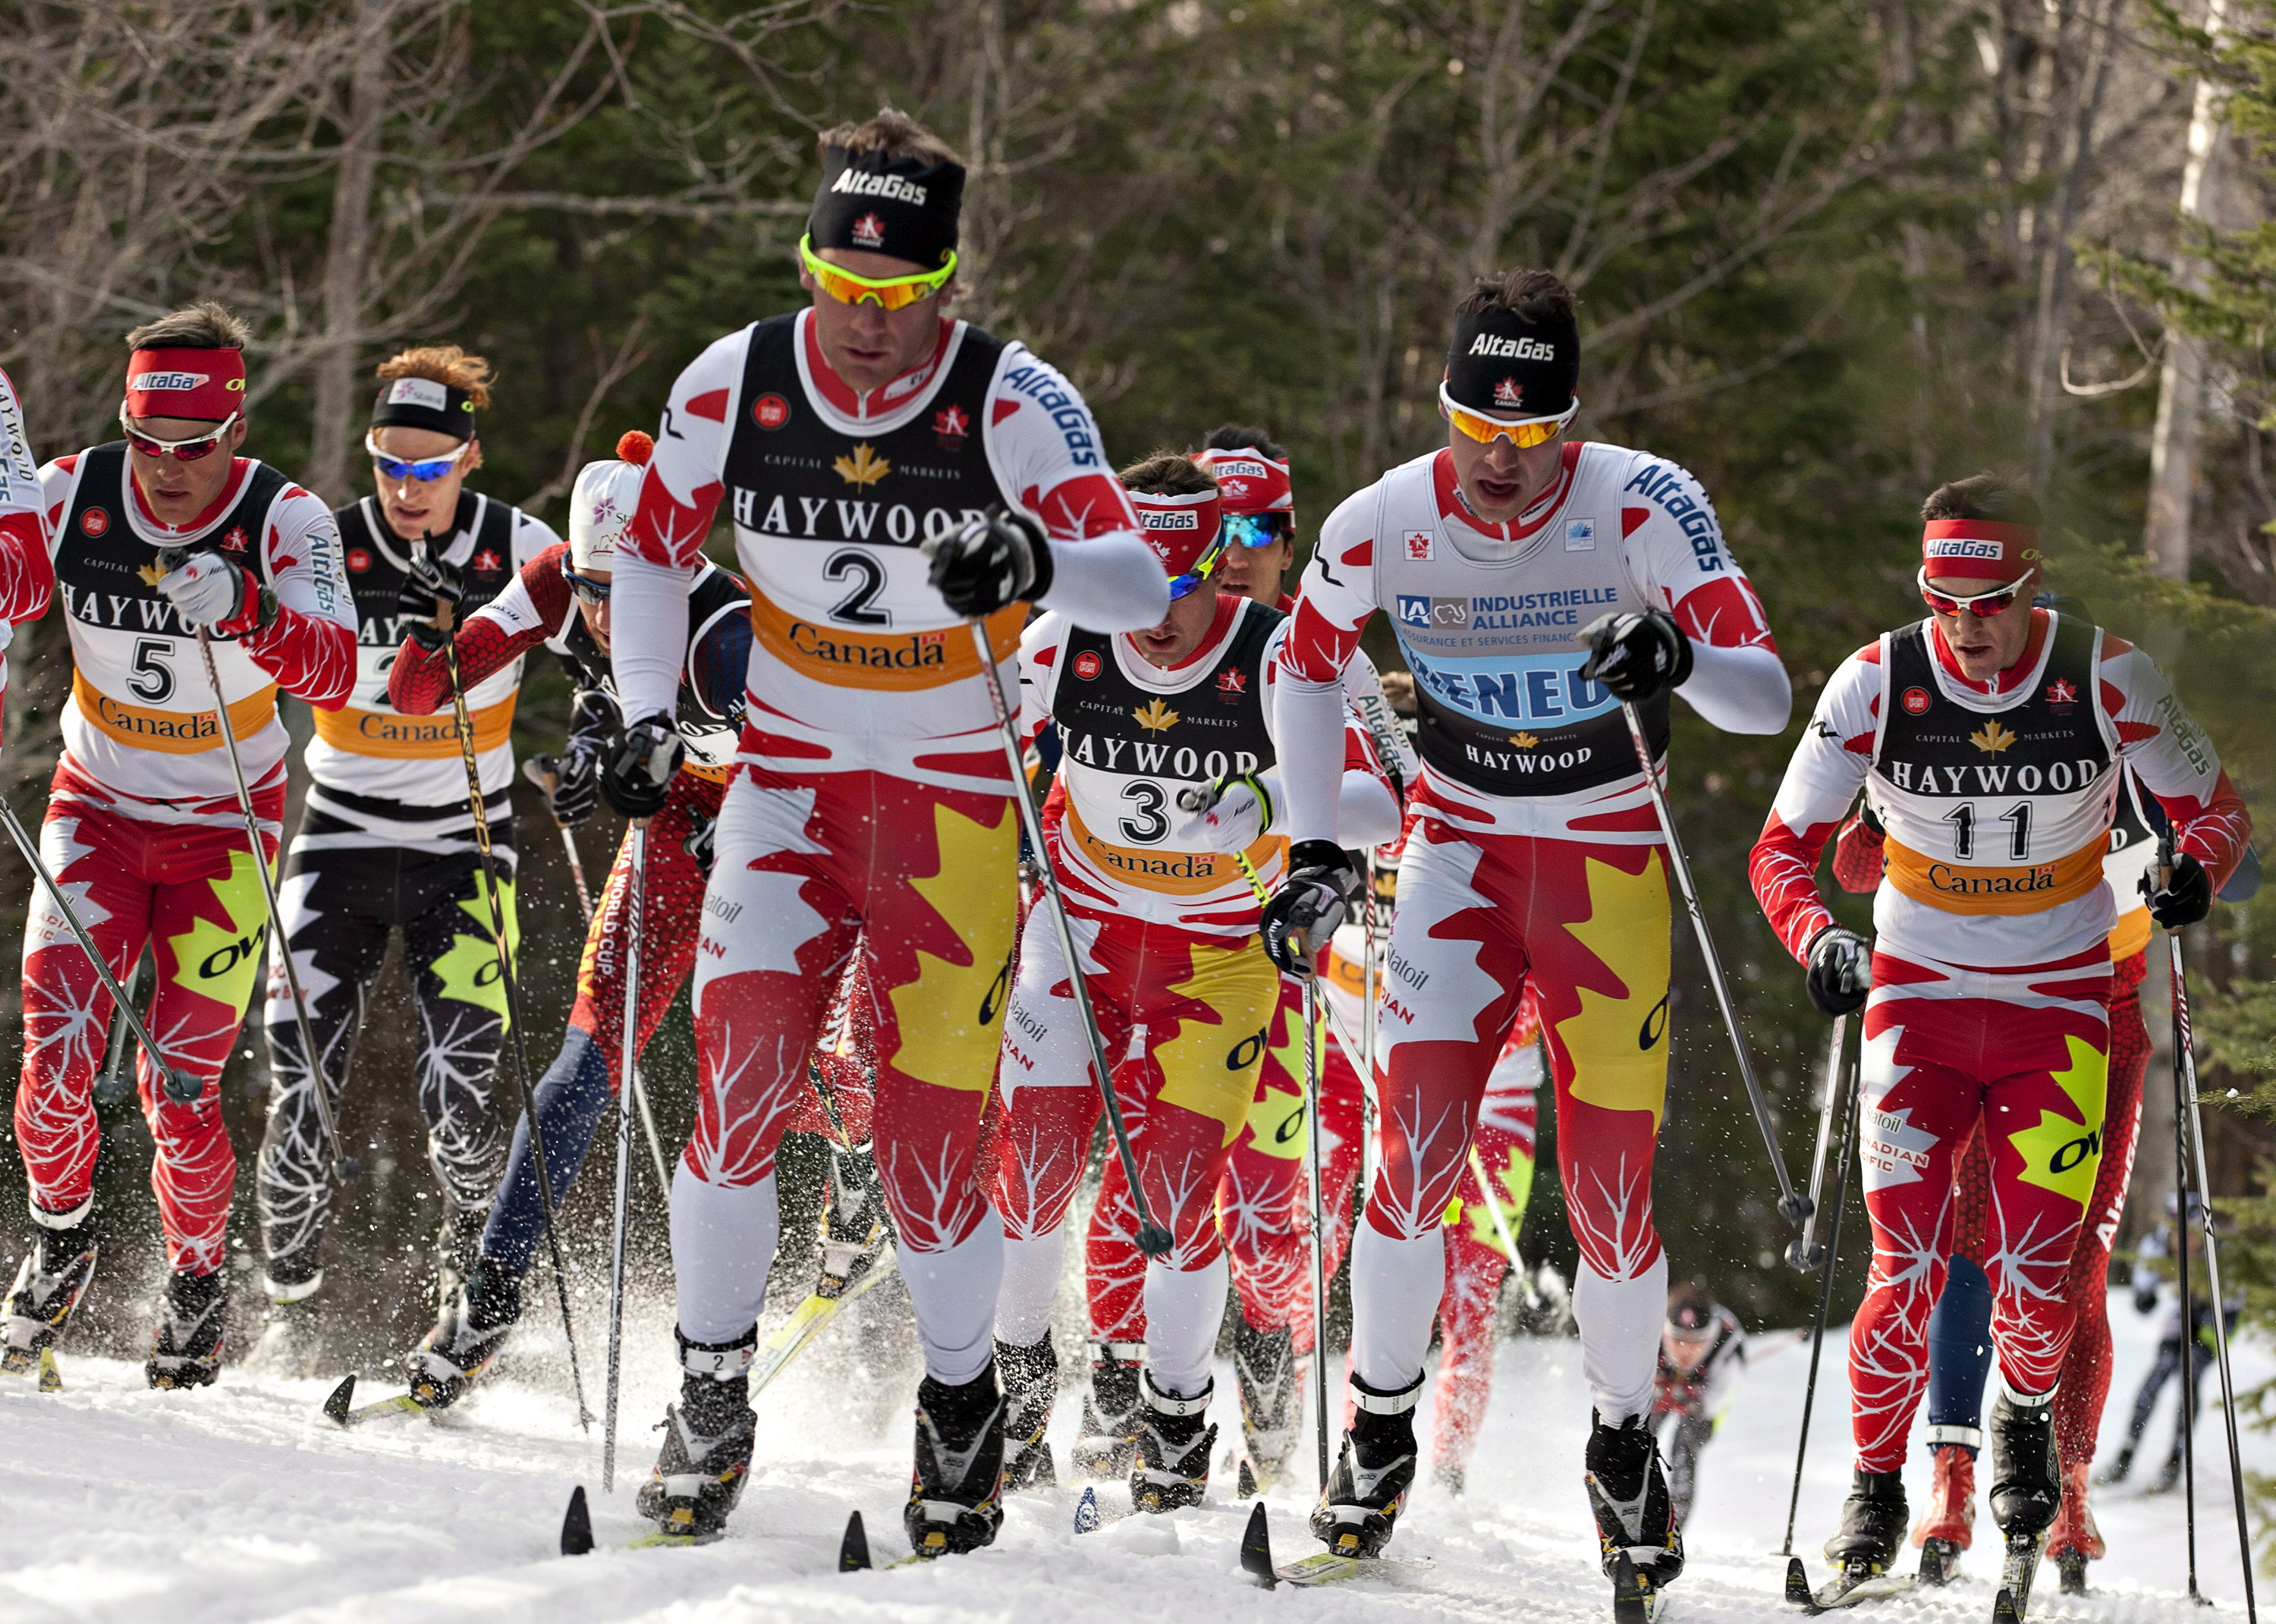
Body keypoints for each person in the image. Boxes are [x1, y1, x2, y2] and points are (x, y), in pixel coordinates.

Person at [607, 109, 1166, 1555]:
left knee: (926, 1140)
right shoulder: (732, 383)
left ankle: (964, 1403)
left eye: (899, 297)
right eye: (840, 287)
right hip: (787, 790)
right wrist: (642, 713)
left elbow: (1130, 578)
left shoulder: (1013, 402)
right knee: (734, 1083)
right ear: (808, 268)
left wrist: (1038, 553)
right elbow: (656, 553)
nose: (865, 323)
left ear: (947, 288)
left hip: (949, 808)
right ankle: (711, 1393)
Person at [1263, 265, 1791, 1591]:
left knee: (1610, 1192)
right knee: (1413, 1159)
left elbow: (1764, 693)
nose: (1500, 458)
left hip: (1606, 862)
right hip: (1459, 858)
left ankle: (1623, 1450)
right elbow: (1303, 667)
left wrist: (1676, 657)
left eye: (1533, 433)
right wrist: (1316, 843)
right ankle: (1377, 1432)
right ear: (1441, 406)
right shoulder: (1385, 517)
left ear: (1573, 420)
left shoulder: (1644, 503)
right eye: (1474, 426)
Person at [1747, 473, 2249, 1588]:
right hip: (1917, 1006)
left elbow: (2217, 811)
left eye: (1990, 602)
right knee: (1906, 1268)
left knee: (2038, 1278)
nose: (1966, 629)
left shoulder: (2107, 674)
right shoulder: (1877, 678)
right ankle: (1877, 1487)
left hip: (2059, 1011)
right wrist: (1818, 939)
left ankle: (2023, 1408)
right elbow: (1780, 850)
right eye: (1943, 601)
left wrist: (2191, 875)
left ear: (2034, 586)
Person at [987, 453, 1400, 1512]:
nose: (1157, 617)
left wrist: (1281, 811)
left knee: (1177, 1193)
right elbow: (981, 760)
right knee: (1033, 1165)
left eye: (1183, 586)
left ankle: (1176, 1417)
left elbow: (1381, 806)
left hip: (1218, 957)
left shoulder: (1277, 657)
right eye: (1137, 585)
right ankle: (1013, 1381)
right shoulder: (1059, 640)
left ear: (1222, 566)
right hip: (1077, 935)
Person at [1822, 624, 2230, 1584]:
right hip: (1967, 1003)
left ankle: (2067, 1479)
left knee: (2071, 1256)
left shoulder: (2126, 736)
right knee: (1957, 1245)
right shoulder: (1950, 745)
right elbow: (1850, 864)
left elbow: (2231, 851)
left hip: (2102, 1017)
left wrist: (2189, 868)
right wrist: (1875, 834)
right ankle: (1952, 1473)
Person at [0, 302, 356, 1387]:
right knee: (54, 1055)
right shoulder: (75, 490)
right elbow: (17, 588)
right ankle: (61, 1235)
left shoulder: (287, 518)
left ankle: (197, 1283)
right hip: (94, 810)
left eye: (192, 450)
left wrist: (249, 608)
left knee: (181, 1088)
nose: (165, 471)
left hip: (221, 835)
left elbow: (337, 673)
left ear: (234, 433)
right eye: (147, 442)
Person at [382, 432, 762, 1404]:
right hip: (675, 825)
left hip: (773, 826)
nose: (602, 613)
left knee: (773, 1057)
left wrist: (717, 810)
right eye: (592, 587)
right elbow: (423, 692)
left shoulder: (725, 636)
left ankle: (847, 1172)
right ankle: (491, 1297)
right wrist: (431, 642)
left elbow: (806, 779)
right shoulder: (556, 580)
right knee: (588, 1057)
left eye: (627, 591)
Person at [250, 347, 561, 1373]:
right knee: (298, 1089)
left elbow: (602, 637)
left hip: (466, 847)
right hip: (337, 831)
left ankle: (467, 1283)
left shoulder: (522, 547)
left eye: (431, 470)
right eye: (391, 464)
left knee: (461, 1105)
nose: (409, 489)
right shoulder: (326, 542)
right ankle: (286, 1293)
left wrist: (607, 736)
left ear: (470, 459)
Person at [1429, 1006, 1542, 1494]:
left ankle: (1447, 1468)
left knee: (1472, 1300)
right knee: (1399, 1286)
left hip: (1505, 1109)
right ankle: (1367, 1441)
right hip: (1421, 1091)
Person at [2102, 1196, 2242, 1494]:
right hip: (2176, 1324)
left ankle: (2175, 1461)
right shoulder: (2158, 1246)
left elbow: (2231, 1309)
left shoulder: (2220, 1253)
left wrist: (2207, 1321)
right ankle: (2125, 1456)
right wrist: (2146, 1293)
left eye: (2189, 1234)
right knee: (2151, 1385)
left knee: (2187, 1386)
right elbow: (2145, 1299)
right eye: (2175, 1235)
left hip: (2208, 1333)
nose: (2182, 1242)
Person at [1650, 1283, 1746, 1527]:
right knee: (1638, 1433)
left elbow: (1723, 1393)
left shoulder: (1728, 1342)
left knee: (1685, 1445)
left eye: (1697, 1342)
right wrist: (1657, 1389)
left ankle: (1674, 1522)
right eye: (1678, 1340)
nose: (1685, 1350)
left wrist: (1698, 1403)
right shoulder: (1649, 1325)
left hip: (1704, 1399)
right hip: (1658, 1386)